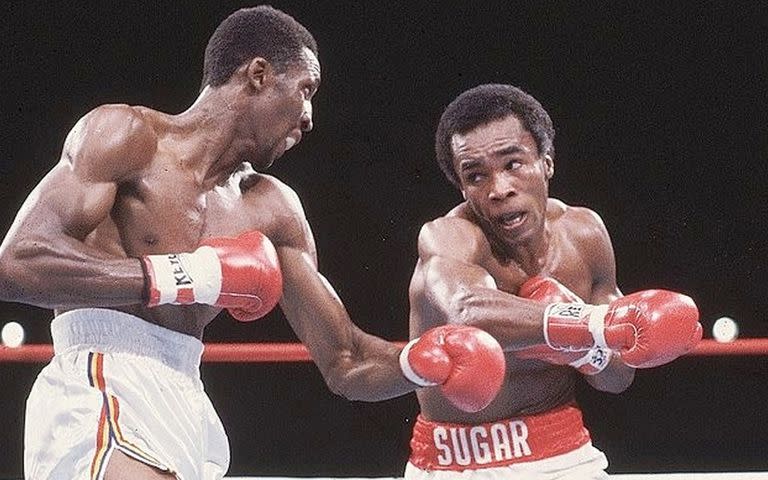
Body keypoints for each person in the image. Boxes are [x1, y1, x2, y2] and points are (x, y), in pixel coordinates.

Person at [0, 7, 506, 480]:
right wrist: (192, 276)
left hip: (185, 400)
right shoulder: (128, 136)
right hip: (99, 375)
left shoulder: (272, 209)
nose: (309, 116)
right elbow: (18, 262)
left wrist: (419, 363)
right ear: (258, 75)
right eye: (306, 90)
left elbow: (346, 359)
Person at [402, 84, 703, 480]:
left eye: (513, 164)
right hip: (456, 461)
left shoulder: (584, 234)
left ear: (546, 162)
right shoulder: (447, 239)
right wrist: (583, 323)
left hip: (564, 452)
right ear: (462, 186)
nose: (499, 189)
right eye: (476, 176)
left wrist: (583, 350)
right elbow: (468, 310)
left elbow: (616, 377)